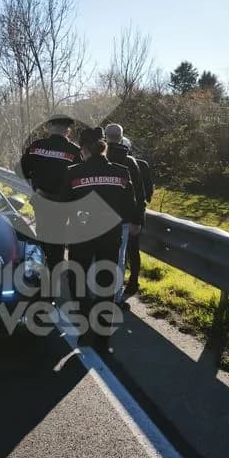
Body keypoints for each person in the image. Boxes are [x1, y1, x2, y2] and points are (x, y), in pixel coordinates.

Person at [60, 128, 141, 349]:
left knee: (77, 281)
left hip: (81, 236)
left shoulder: (73, 172)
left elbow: (64, 208)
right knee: (106, 284)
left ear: (84, 150)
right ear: (103, 148)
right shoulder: (122, 172)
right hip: (110, 236)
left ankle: (84, 328)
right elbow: (130, 208)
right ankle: (103, 338)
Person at [19, 113, 82, 269]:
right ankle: (56, 270)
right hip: (63, 203)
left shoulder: (36, 146)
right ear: (68, 131)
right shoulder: (74, 151)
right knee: (59, 236)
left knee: (42, 233)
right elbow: (79, 179)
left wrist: (34, 185)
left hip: (41, 199)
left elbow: (22, 170)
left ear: (49, 128)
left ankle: (42, 268)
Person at [104, 124, 146, 303]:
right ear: (122, 138)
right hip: (123, 220)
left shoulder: (97, 158)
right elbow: (139, 194)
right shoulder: (130, 163)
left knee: (96, 256)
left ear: (105, 137)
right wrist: (138, 220)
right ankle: (116, 296)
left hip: (99, 218)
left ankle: (95, 293)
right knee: (119, 259)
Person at [121, 137, 155, 297]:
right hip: (137, 214)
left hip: (122, 214)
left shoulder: (123, 163)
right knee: (133, 250)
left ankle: (127, 280)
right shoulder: (142, 164)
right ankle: (133, 281)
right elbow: (148, 192)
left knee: (124, 250)